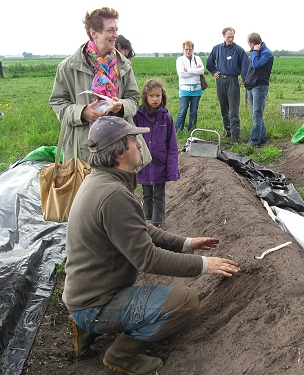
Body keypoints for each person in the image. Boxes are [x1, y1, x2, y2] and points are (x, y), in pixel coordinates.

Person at [63, 116, 241, 375]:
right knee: (185, 303)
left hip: (84, 293)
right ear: (119, 152)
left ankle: (86, 327)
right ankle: (120, 355)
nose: (139, 145)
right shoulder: (113, 195)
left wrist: (186, 244)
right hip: (96, 302)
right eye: (134, 140)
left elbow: (141, 229)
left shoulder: (100, 181)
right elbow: (148, 259)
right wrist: (205, 265)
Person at [49, 7, 143, 164]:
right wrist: (82, 112)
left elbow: (134, 100)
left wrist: (121, 106)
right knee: (89, 187)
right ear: (94, 33)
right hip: (84, 148)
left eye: (116, 29)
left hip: (119, 147)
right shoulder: (68, 67)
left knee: (118, 187)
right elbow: (57, 103)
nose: (116, 35)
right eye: (110, 30)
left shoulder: (124, 65)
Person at [133, 79, 178, 227]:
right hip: (144, 163)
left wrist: (172, 169)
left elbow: (172, 146)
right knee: (147, 194)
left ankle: (157, 222)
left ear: (162, 97)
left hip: (160, 164)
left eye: (158, 95)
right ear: (145, 96)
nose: (155, 99)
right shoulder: (137, 117)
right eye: (151, 95)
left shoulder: (166, 118)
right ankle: (146, 219)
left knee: (159, 194)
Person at [206, 27, 249, 144]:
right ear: (224, 36)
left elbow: (245, 65)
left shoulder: (239, 50)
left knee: (234, 110)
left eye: (232, 37)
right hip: (220, 80)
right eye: (229, 37)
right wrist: (214, 71)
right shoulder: (216, 49)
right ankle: (227, 131)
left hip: (232, 80)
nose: (231, 39)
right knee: (223, 108)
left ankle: (235, 136)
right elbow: (209, 63)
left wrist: (244, 80)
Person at [244, 32, 274, 148]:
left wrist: (256, 51)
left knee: (257, 115)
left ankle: (254, 141)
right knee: (256, 114)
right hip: (252, 86)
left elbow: (256, 65)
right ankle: (263, 138)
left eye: (249, 44)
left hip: (260, 87)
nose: (249, 47)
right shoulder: (255, 52)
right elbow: (251, 69)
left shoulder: (266, 53)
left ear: (253, 44)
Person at [175, 40, 204, 132]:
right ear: (183, 49)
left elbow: (202, 71)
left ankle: (191, 130)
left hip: (197, 89)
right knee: (182, 111)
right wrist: (195, 71)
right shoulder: (180, 60)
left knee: (193, 112)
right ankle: (178, 130)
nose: (188, 51)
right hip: (184, 89)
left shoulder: (197, 58)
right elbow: (181, 74)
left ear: (193, 49)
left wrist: (189, 70)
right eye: (186, 49)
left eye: (190, 49)